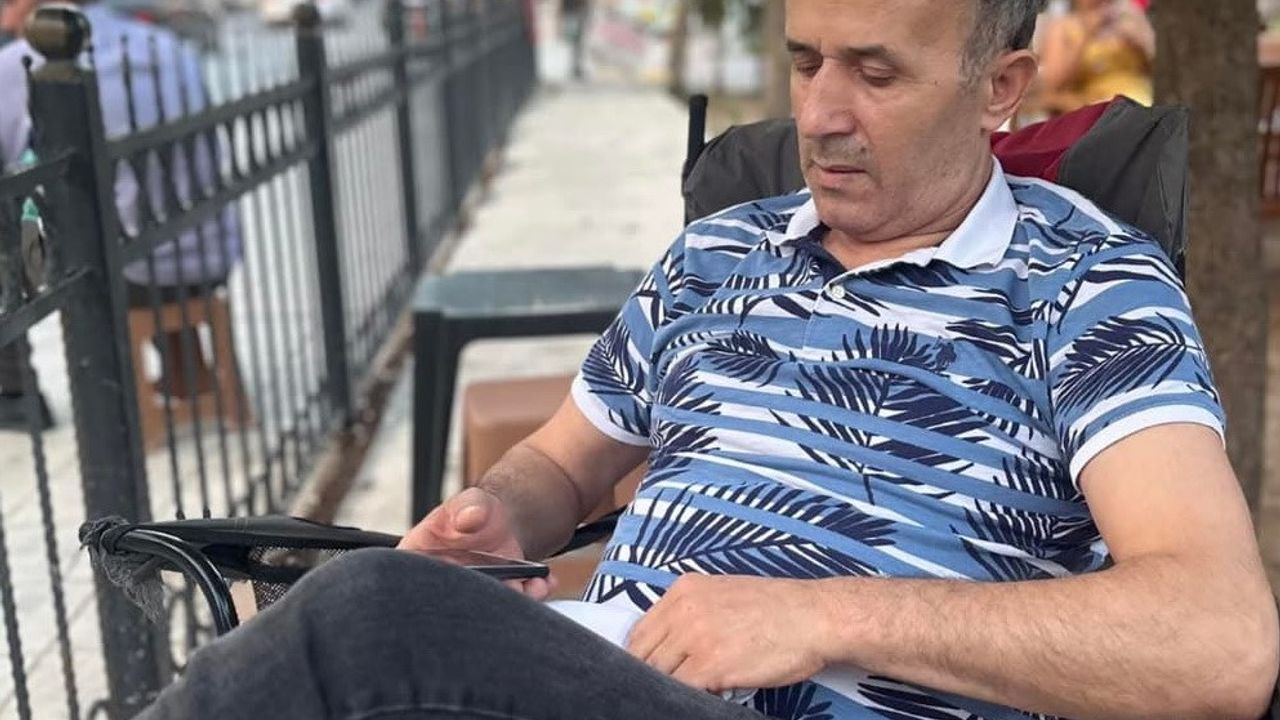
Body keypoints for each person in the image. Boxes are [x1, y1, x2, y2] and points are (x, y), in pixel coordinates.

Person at [141, 1, 1279, 718]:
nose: (819, 115)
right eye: (804, 61)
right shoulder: (718, 251)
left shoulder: (1086, 286)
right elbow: (564, 462)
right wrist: (503, 512)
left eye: (874, 73)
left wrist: (827, 616)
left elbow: (1218, 641)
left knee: (365, 621)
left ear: (999, 89)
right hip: (596, 672)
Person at [0, 0, 242, 406]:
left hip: (123, 266)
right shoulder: (165, 44)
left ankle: (13, 388)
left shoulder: (20, 63)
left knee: (25, 224)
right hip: (209, 248)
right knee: (132, 200)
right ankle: (186, 365)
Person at [1039, 0, 1155, 113]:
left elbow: (1156, 68)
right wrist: (1086, 36)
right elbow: (1055, 85)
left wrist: (1138, 40)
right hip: (1095, 104)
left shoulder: (1131, 18)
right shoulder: (1063, 27)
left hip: (1140, 96)